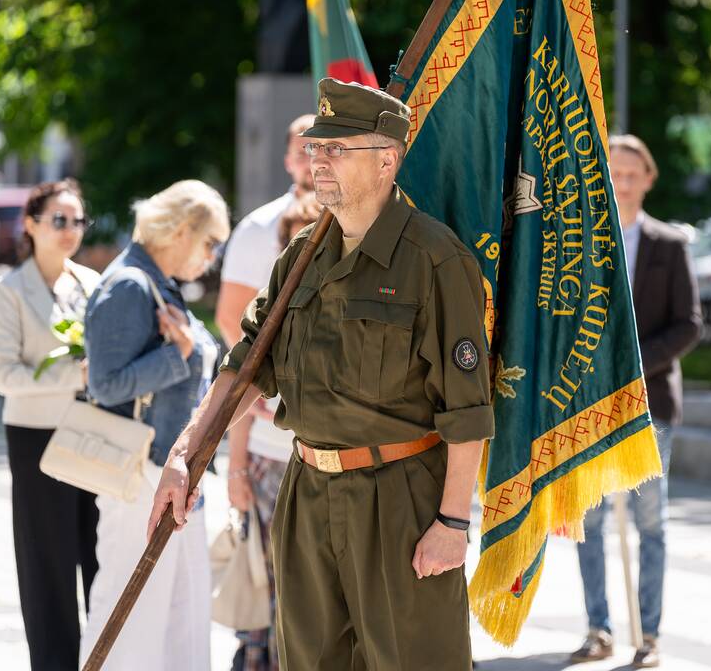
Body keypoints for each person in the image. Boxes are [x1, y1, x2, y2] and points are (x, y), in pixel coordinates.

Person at [151, 78, 493, 670]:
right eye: (316, 147)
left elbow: (467, 407)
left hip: (400, 501)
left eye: (338, 148)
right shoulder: (304, 251)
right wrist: (187, 452)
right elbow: (248, 361)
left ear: (386, 161)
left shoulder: (434, 260)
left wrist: (453, 521)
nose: (319, 160)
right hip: (307, 490)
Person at [80, 180, 230, 671]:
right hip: (142, 471)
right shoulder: (129, 283)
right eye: (209, 242)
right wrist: (178, 355)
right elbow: (104, 383)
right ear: (182, 230)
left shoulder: (155, 281)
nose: (211, 257)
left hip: (172, 472)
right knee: (133, 615)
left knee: (177, 617)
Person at [571, 134, 701, 668]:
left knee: (651, 522)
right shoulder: (579, 240)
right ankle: (597, 627)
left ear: (648, 179)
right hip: (587, 403)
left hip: (649, 404)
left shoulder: (669, 244)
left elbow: (690, 324)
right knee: (589, 521)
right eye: (614, 172)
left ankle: (648, 633)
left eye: (632, 174)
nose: (622, 182)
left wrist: (632, 364)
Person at [0, 178, 100, 671]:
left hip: (93, 433)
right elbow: (1, 373)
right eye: (59, 220)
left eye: (77, 220)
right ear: (30, 225)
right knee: (46, 563)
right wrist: (73, 373)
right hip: (35, 438)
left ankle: (106, 655)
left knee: (100, 554)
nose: (70, 230)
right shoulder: (9, 290)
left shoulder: (93, 285)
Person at [222, 191, 321, 671]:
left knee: (302, 581)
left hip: (316, 461)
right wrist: (236, 467)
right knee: (267, 572)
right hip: (268, 459)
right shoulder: (270, 311)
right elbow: (240, 389)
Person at [215, 114, 315, 345]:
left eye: (322, 150)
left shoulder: (355, 220)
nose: (312, 162)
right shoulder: (258, 227)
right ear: (288, 161)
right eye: (302, 154)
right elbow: (230, 319)